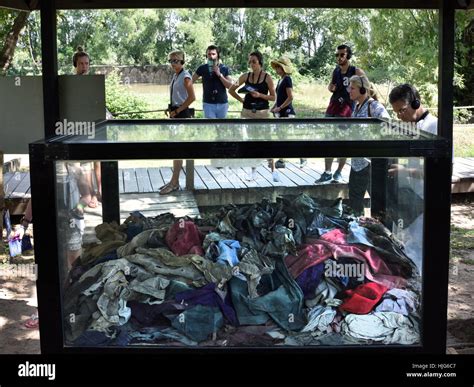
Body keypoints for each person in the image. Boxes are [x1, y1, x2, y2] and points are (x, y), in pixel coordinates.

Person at [317, 44, 365, 183]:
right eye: (337, 55)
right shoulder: (336, 71)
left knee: (343, 140)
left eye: (342, 54)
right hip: (333, 105)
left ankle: (338, 172)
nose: (339, 57)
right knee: (328, 139)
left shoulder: (355, 71)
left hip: (347, 107)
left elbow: (367, 87)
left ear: (348, 55)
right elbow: (330, 86)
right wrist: (331, 88)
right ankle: (327, 171)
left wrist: (370, 103)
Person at [229, 51, 278, 181]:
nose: (251, 64)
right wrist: (242, 100)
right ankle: (253, 171)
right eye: (250, 61)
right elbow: (231, 89)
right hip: (247, 113)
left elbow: (273, 97)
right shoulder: (245, 76)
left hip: (263, 113)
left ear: (260, 62)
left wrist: (260, 95)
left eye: (254, 61)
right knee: (251, 142)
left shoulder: (267, 77)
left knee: (267, 141)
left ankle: (273, 170)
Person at [347, 74, 390, 216]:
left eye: (352, 88)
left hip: (370, 162)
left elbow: (388, 127)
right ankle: (357, 228)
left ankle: (381, 227)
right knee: (354, 200)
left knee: (378, 199)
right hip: (357, 161)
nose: (349, 90)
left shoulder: (375, 107)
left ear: (363, 90)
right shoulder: (357, 106)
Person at [159, 50, 196, 195]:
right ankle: (174, 181)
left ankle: (174, 183)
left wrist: (178, 110)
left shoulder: (185, 76)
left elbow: (192, 97)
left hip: (182, 115)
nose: (173, 63)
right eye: (171, 60)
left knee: (178, 149)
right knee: (175, 149)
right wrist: (171, 108)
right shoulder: (176, 76)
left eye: (176, 60)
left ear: (182, 62)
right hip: (176, 113)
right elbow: (178, 96)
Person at [270, 56, 306, 168]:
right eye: (276, 67)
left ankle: (303, 157)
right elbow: (279, 97)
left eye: (278, 67)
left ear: (283, 68)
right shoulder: (280, 80)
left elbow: (290, 97)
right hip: (280, 112)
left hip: (288, 112)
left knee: (290, 136)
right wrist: (273, 107)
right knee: (281, 136)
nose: (276, 69)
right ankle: (281, 160)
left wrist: (279, 108)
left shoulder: (287, 79)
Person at [192, 45, 233, 118]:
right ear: (206, 56)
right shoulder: (202, 68)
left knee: (222, 128)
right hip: (208, 104)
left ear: (218, 55)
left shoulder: (224, 68)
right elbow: (190, 82)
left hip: (222, 103)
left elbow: (230, 86)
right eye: (209, 54)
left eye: (213, 54)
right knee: (210, 128)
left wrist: (219, 74)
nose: (211, 56)